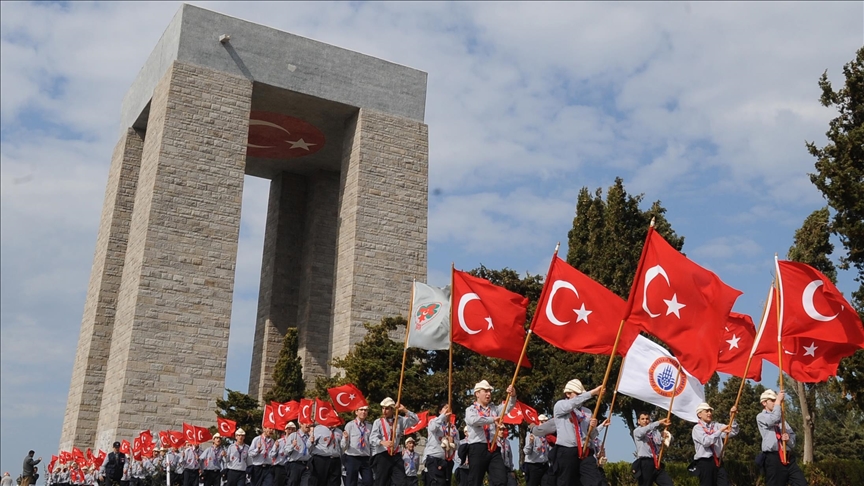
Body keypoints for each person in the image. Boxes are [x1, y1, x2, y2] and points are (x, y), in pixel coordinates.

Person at [552, 379, 604, 486]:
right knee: (566, 482)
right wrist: (592, 393)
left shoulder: (587, 411)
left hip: (585, 451)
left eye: (582, 394)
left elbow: (591, 435)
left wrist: (592, 427)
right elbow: (572, 404)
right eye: (578, 394)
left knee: (594, 481)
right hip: (567, 451)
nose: (581, 397)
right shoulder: (560, 406)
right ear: (567, 394)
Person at [464, 380, 516, 486]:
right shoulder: (471, 410)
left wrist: (513, 395)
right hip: (477, 448)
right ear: (477, 393)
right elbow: (474, 421)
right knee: (475, 481)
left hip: (493, 447)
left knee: (501, 479)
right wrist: (492, 420)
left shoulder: (494, 409)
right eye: (486, 391)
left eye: (490, 391)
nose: (489, 394)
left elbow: (508, 407)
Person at [757, 390, 807, 486]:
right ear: (764, 403)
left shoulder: (782, 420)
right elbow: (773, 420)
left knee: (801, 483)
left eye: (776, 400)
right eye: (772, 400)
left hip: (787, 457)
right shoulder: (761, 416)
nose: (775, 402)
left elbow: (793, 440)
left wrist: (788, 439)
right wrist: (779, 402)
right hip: (773, 457)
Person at [370, 397, 419, 486]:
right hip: (383, 455)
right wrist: (382, 442)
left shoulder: (399, 420)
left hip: (396, 455)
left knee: (401, 481)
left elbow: (416, 420)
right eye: (383, 408)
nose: (384, 411)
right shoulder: (378, 422)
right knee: (381, 482)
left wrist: (405, 410)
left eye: (387, 408)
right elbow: (372, 438)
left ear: (392, 409)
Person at [692, 402, 738, 486]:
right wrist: (719, 431)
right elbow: (706, 442)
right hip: (705, 462)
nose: (709, 413)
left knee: (724, 483)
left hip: (718, 461)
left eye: (710, 411)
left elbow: (733, 432)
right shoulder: (697, 428)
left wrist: (732, 417)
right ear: (699, 414)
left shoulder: (716, 425)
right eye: (706, 411)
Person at [632, 413, 673, 486]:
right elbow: (645, 430)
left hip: (657, 462)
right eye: (643, 419)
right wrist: (659, 422)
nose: (645, 421)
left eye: (647, 419)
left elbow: (662, 441)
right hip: (645, 463)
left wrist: (666, 436)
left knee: (668, 484)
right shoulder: (637, 431)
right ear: (638, 421)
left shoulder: (655, 432)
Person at [424, 404, 458, 486]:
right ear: (440, 411)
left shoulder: (453, 427)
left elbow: (458, 445)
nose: (448, 410)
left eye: (450, 408)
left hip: (447, 460)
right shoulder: (434, 421)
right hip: (434, 458)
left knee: (446, 483)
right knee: (437, 482)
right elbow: (432, 428)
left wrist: (453, 441)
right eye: (446, 408)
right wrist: (442, 416)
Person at [342, 405, 373, 486]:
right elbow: (343, 446)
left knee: (369, 481)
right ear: (356, 412)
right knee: (351, 482)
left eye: (366, 410)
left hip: (365, 458)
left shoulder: (369, 426)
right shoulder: (350, 425)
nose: (363, 412)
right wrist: (345, 439)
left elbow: (371, 443)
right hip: (352, 457)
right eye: (361, 410)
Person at [310, 421, 342, 486]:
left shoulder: (339, 431)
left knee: (335, 483)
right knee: (319, 482)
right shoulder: (319, 429)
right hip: (321, 459)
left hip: (335, 460)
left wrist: (346, 439)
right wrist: (311, 442)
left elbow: (342, 447)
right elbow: (308, 445)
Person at [522, 415, 550, 486]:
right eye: (541, 422)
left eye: (545, 422)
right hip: (533, 466)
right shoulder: (531, 435)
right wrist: (530, 443)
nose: (544, 424)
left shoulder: (547, 436)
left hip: (544, 465)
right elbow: (526, 452)